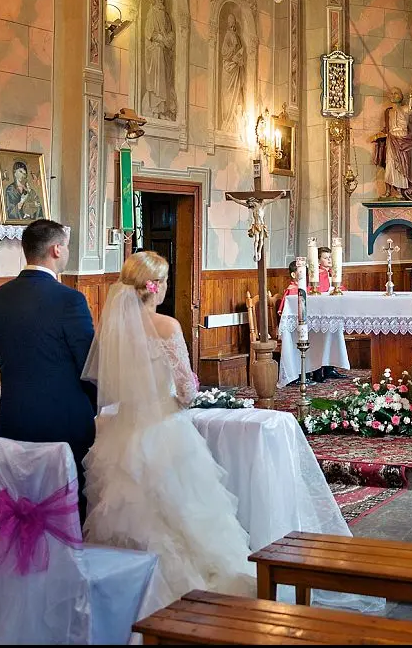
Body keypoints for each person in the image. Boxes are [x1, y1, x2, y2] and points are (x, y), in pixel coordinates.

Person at [80, 251, 257, 609]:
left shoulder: (112, 329)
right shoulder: (167, 326)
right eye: (164, 281)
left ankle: (130, 592)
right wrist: (180, 399)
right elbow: (187, 391)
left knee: (129, 509)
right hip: (164, 428)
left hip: (124, 431)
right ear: (155, 286)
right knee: (184, 510)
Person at [0, 219, 98, 519]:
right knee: (69, 510)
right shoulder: (69, 300)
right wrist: (96, 406)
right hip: (64, 421)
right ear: (56, 249)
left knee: (21, 509)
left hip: (13, 416)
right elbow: (88, 365)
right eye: (67, 246)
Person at [371, 87, 412, 200]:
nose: (393, 95)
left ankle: (400, 191)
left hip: (403, 140)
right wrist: (378, 136)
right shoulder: (389, 112)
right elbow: (386, 129)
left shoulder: (405, 109)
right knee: (389, 164)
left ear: (401, 96)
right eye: (391, 93)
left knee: (402, 165)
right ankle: (388, 191)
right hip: (391, 140)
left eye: (396, 93)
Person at [315, 247, 348, 381]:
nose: (329, 260)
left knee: (333, 338)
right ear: (318, 260)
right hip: (321, 312)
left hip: (332, 311)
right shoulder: (316, 274)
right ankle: (318, 370)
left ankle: (330, 369)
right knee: (321, 340)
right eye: (325, 257)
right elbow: (319, 290)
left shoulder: (331, 272)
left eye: (330, 257)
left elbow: (340, 288)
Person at [144, 0, 177, 121]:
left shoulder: (167, 15)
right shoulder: (152, 12)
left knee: (163, 81)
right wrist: (160, 38)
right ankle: (154, 109)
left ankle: (163, 109)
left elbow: (170, 32)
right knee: (156, 80)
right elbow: (148, 32)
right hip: (156, 49)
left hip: (164, 51)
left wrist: (168, 39)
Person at [218, 13, 246, 134]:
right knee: (228, 96)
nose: (233, 24)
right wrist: (232, 50)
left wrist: (239, 57)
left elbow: (241, 53)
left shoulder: (238, 38)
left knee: (237, 96)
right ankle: (227, 121)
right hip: (229, 68)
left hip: (236, 69)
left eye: (234, 22)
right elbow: (224, 52)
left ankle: (235, 122)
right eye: (231, 22)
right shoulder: (227, 36)